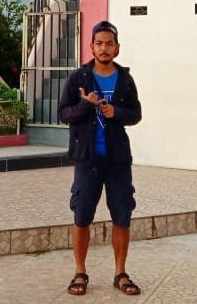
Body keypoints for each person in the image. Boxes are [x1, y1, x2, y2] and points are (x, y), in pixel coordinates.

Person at [58, 21, 142, 296]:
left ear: (117, 48)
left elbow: (135, 114)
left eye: (109, 44)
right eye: (99, 43)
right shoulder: (78, 79)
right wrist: (85, 105)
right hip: (87, 160)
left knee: (122, 216)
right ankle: (80, 272)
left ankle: (120, 273)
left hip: (117, 161)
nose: (104, 48)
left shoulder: (125, 80)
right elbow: (64, 114)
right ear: (91, 46)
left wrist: (115, 113)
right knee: (82, 216)